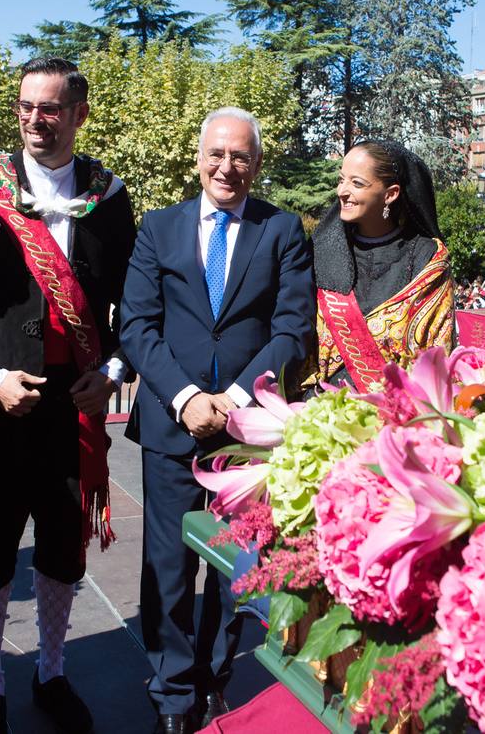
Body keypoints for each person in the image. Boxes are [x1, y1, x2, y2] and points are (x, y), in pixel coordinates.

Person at [0, 56, 136, 734]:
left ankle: (52, 670)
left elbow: (132, 304)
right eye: (25, 105)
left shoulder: (109, 198)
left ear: (79, 114)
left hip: (73, 404)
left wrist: (110, 367)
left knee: (62, 543)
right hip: (1, 400)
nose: (34, 119)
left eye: (50, 108)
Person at [120, 107, 313, 734]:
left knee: (235, 573)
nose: (227, 167)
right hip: (171, 427)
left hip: (247, 434)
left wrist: (231, 398)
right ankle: (173, 694)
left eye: (241, 157)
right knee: (169, 570)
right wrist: (184, 397)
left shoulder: (282, 230)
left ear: (257, 163)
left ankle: (213, 681)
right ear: (198, 157)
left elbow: (293, 330)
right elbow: (138, 327)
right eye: (217, 154)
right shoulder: (158, 229)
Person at [307, 140, 453, 392]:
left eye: (357, 183)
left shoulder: (427, 258)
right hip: (320, 407)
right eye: (341, 180)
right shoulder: (318, 252)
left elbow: (437, 352)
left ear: (391, 194)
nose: (342, 191)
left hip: (398, 411)